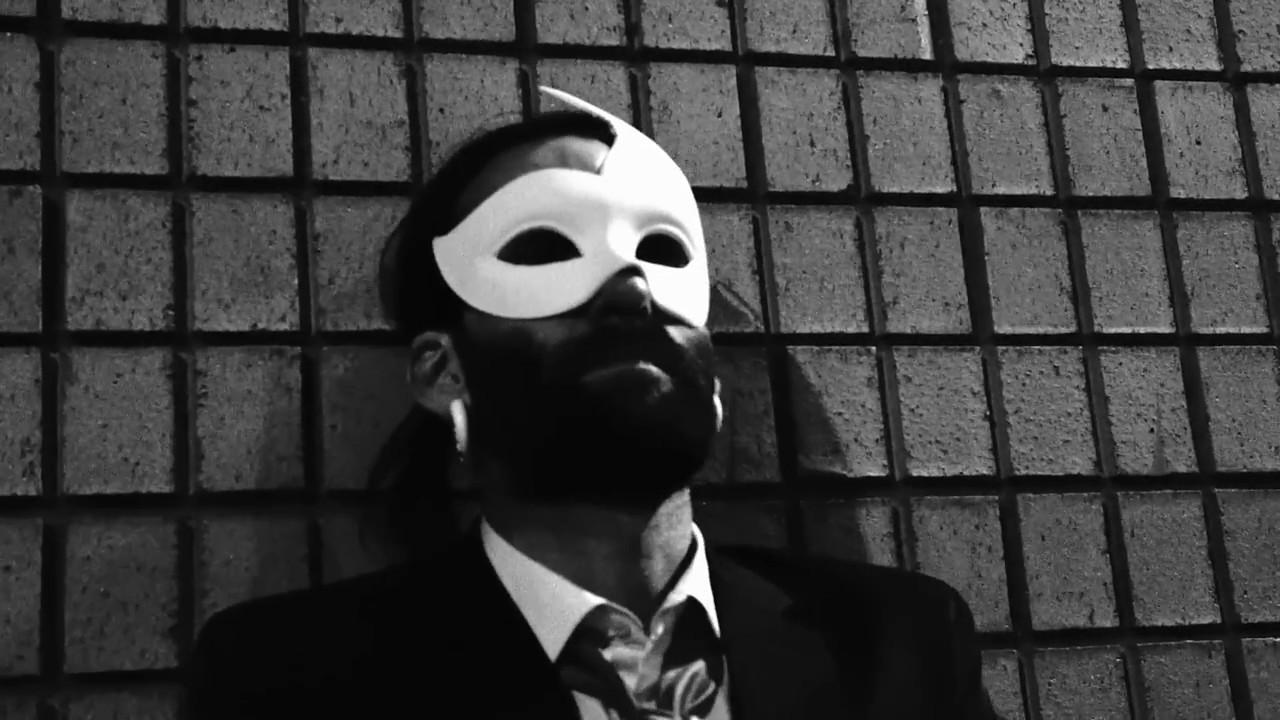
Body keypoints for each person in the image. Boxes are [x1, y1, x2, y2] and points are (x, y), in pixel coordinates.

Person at [185, 87, 1004, 720]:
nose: (630, 289)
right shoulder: (284, 683)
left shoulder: (904, 646)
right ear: (444, 373)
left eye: (660, 250)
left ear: (715, 384)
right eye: (544, 248)